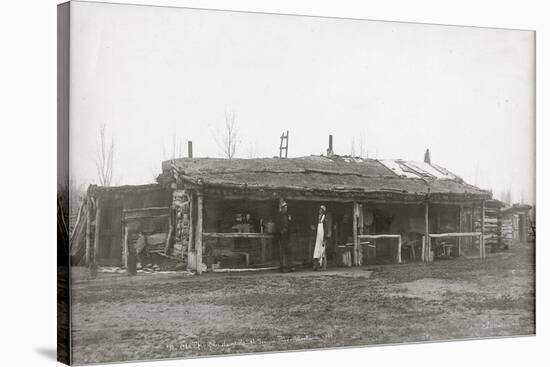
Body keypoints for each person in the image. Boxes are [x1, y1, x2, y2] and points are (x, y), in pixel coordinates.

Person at [276, 200, 292, 273]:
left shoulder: (287, 215)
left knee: (288, 252)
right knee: (281, 253)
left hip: (287, 237)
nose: (286, 209)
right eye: (284, 208)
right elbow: (277, 226)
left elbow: (289, 225)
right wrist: (281, 230)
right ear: (282, 208)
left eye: (286, 208)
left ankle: (289, 267)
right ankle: (282, 268)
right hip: (281, 237)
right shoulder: (279, 216)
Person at [313, 205, 328, 271]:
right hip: (318, 236)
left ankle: (324, 266)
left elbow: (326, 228)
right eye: (319, 209)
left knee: (323, 251)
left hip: (322, 236)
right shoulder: (317, 218)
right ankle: (316, 266)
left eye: (321, 209)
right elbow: (317, 227)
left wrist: (325, 237)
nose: (319, 210)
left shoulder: (325, 218)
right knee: (316, 251)